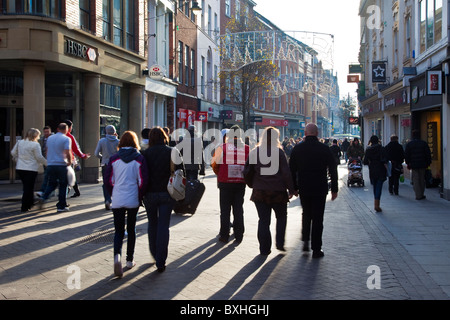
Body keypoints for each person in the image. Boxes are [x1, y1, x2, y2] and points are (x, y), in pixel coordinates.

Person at [289, 123, 338, 258]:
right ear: (317, 133)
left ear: (305, 133)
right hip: (319, 187)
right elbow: (333, 169)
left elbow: (291, 169)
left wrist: (294, 187)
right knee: (318, 218)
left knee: (306, 214)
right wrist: (334, 188)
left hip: (304, 187)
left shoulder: (298, 149)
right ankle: (317, 248)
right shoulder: (324, 148)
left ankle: (305, 241)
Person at [104, 131, 148, 278]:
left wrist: (112, 193)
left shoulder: (114, 159)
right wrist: (140, 196)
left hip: (118, 197)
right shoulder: (139, 159)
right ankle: (129, 260)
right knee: (131, 228)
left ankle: (117, 256)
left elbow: (108, 180)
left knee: (118, 231)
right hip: (133, 198)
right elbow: (143, 181)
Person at [246, 127, 295, 255]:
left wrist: (252, 184)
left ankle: (264, 248)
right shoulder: (279, 152)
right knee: (281, 217)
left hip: (260, 192)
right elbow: (286, 173)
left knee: (263, 220)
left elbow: (247, 171)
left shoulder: (254, 152)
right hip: (277, 192)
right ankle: (279, 242)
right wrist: (291, 189)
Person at [142, 127, 184, 273]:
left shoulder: (145, 153)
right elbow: (180, 170)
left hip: (149, 194)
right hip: (168, 193)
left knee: (152, 223)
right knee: (163, 226)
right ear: (164, 137)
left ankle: (154, 253)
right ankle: (161, 260)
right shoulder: (173, 151)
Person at [211, 125, 250, 243]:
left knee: (225, 210)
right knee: (238, 209)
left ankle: (224, 235)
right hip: (240, 183)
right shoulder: (247, 149)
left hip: (225, 183)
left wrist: (220, 174)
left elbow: (214, 164)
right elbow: (251, 166)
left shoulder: (221, 148)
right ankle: (239, 235)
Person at [11, 128, 47, 212]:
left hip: (20, 167)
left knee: (27, 187)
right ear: (35, 135)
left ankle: (29, 203)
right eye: (38, 135)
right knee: (29, 188)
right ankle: (25, 206)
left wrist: (17, 159)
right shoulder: (35, 145)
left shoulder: (20, 142)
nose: (39, 137)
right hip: (31, 168)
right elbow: (39, 157)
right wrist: (47, 163)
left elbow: (13, 152)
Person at [38, 123, 72, 212]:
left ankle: (44, 197)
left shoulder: (49, 138)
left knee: (52, 184)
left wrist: (48, 160)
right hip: (61, 164)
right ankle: (61, 206)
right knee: (63, 185)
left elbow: (47, 150)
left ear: (57, 129)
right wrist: (70, 161)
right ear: (66, 129)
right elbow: (67, 151)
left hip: (51, 164)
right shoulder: (66, 139)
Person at [63, 119, 91, 198]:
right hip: (68, 160)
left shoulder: (56, 136)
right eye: (71, 127)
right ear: (69, 127)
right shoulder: (70, 136)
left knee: (67, 178)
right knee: (70, 176)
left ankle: (67, 193)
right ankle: (72, 192)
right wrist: (83, 155)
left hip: (59, 161)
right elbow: (76, 149)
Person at [94, 125, 120, 210]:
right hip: (116, 164)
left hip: (105, 164)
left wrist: (103, 157)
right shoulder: (118, 142)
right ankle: (116, 199)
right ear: (115, 132)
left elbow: (96, 153)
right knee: (116, 182)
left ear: (106, 131)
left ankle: (107, 200)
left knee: (106, 183)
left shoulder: (102, 141)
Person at [405, 129, 432, 200]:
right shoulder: (423, 143)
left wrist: (408, 163)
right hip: (423, 164)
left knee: (416, 179)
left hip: (414, 164)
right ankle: (422, 193)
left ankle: (418, 195)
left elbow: (407, 154)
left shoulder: (409, 144)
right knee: (422, 179)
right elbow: (428, 154)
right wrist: (428, 163)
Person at [363, 135, 388, 212]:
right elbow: (385, 159)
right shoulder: (382, 148)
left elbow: (365, 161)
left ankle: (376, 203)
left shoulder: (368, 149)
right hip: (380, 169)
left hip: (372, 169)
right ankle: (377, 204)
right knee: (379, 186)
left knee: (375, 186)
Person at [37, 125, 53, 197]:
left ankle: (47, 191)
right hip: (45, 159)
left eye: (47, 132)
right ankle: (46, 190)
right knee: (47, 175)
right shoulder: (41, 140)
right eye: (45, 132)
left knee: (49, 176)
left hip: (52, 160)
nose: (46, 133)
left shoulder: (53, 138)